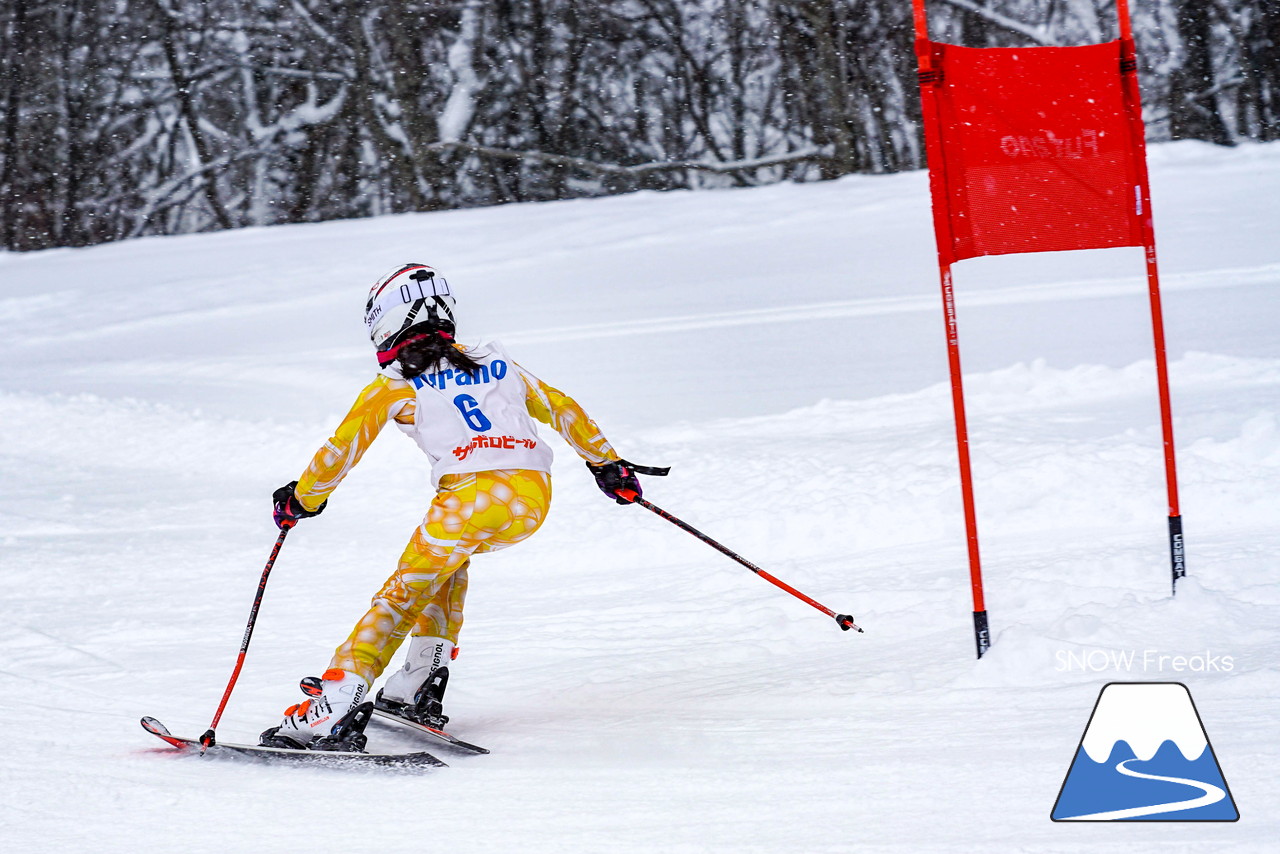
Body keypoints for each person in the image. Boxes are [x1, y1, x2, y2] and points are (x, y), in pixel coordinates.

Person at [258, 263, 665, 750]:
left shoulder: (394, 383)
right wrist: (607, 465)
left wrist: (303, 499)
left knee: (400, 595)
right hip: (532, 500)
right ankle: (419, 681)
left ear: (387, 321)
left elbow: (340, 453)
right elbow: (563, 407)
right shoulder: (496, 362)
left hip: (469, 500)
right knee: (446, 566)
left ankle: (335, 704)